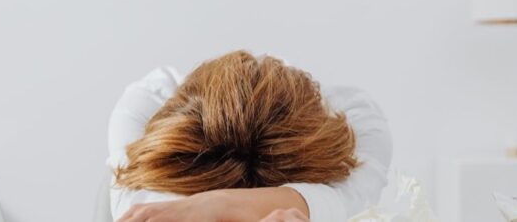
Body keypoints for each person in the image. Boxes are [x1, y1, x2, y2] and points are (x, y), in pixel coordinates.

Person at [107, 51, 392, 221]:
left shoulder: (357, 123)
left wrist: (216, 206)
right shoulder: (149, 102)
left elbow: (345, 202)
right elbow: (149, 214)